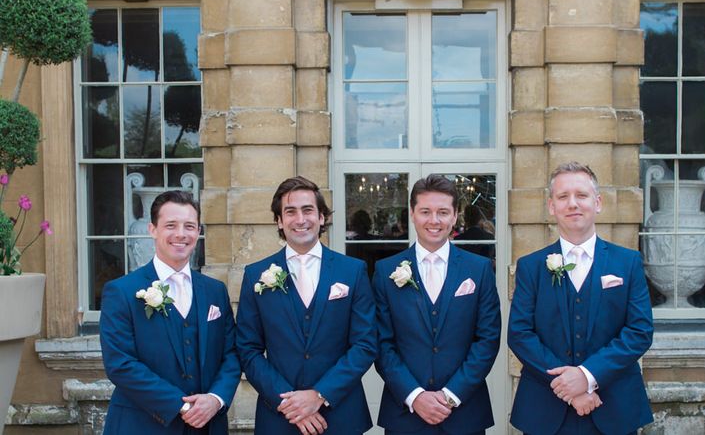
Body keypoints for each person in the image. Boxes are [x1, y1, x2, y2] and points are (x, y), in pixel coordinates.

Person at [508, 162, 654, 435]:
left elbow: (639, 331)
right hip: (546, 410)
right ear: (552, 206)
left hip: (614, 406)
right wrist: (568, 387)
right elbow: (519, 333)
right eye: (563, 197)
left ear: (597, 203)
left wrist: (586, 376)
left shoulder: (628, 262)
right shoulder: (530, 266)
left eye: (582, 195)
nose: (572, 203)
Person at [237, 176, 376, 435]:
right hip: (280, 418)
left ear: (322, 217)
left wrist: (319, 395)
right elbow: (248, 349)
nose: (300, 219)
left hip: (341, 415)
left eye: (308, 210)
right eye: (290, 212)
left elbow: (365, 344)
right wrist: (288, 403)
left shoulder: (353, 271)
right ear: (279, 220)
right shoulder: (256, 275)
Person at [100, 190, 241, 434]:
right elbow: (120, 364)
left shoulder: (215, 291)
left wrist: (215, 399)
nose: (181, 234)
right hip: (143, 425)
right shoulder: (121, 291)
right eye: (171, 225)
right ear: (152, 229)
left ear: (198, 232)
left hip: (208, 425)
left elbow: (231, 354)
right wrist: (181, 407)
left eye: (189, 226)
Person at [373, 174, 501, 435]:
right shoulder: (385, 271)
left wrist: (452, 395)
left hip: (465, 414)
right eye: (425, 211)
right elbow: (380, 343)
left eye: (443, 212)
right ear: (412, 214)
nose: (434, 220)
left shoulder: (479, 270)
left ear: (455, 216)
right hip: (405, 415)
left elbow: (487, 340)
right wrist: (415, 395)